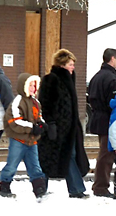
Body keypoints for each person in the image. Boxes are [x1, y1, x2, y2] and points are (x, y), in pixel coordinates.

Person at [37, 49, 89, 198]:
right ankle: (41, 187)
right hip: (55, 127)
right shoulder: (51, 79)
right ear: (62, 65)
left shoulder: (69, 80)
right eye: (70, 64)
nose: (73, 67)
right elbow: (46, 103)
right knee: (47, 157)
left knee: (68, 155)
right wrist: (51, 124)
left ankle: (76, 188)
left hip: (68, 128)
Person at [0, 73, 48, 201]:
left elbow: (38, 116)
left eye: (34, 85)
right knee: (12, 165)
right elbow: (15, 120)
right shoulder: (18, 101)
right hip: (18, 140)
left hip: (32, 140)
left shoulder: (36, 102)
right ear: (24, 86)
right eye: (30, 85)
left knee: (35, 166)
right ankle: (4, 187)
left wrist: (42, 124)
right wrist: (32, 127)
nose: (33, 88)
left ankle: (39, 190)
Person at [87, 47, 116, 197]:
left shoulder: (96, 76)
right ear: (112, 58)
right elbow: (112, 101)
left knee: (104, 152)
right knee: (106, 155)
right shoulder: (111, 78)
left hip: (98, 118)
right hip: (108, 119)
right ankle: (100, 187)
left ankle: (100, 185)